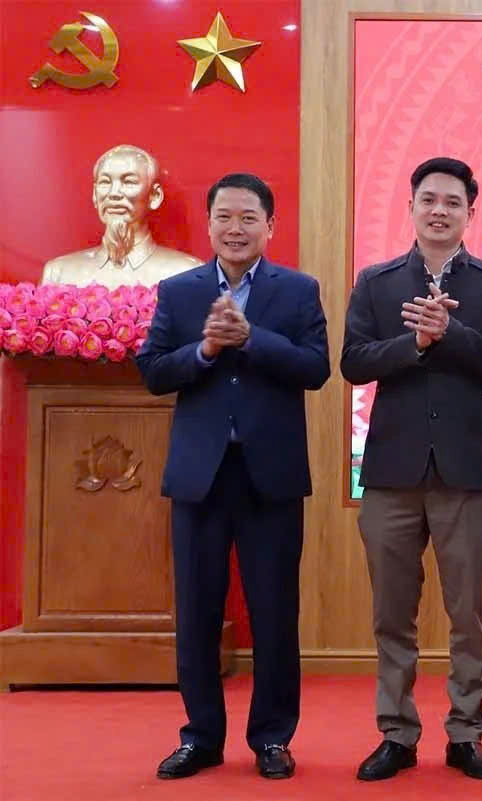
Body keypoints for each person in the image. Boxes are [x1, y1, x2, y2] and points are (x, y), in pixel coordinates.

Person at [136, 173, 330, 780]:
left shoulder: (298, 291)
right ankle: (200, 737)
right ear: (209, 224)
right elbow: (153, 371)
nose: (236, 228)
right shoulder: (179, 291)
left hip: (270, 477)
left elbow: (316, 369)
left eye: (249, 218)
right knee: (196, 612)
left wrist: (251, 339)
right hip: (200, 477)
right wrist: (205, 351)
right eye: (225, 217)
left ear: (270, 226)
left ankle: (272, 738)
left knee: (275, 613)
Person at [341, 157, 482, 782]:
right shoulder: (377, 281)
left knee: (468, 614)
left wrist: (451, 333)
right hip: (391, 471)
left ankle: (466, 733)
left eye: (452, 202)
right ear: (412, 207)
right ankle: (396, 733)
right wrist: (415, 344)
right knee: (392, 613)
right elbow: (353, 362)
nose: (439, 210)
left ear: (471, 212)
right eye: (428, 200)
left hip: (466, 471)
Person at [42, 144, 201, 288]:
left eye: (128, 182)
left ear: (154, 196)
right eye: (105, 182)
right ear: (95, 195)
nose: (114, 193)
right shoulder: (59, 274)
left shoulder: (186, 274)